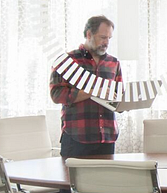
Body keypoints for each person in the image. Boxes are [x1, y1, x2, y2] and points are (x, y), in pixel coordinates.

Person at [50, 15, 123, 158]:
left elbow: (118, 95)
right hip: (77, 137)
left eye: (109, 38)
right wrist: (93, 92)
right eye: (103, 37)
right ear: (89, 34)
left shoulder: (114, 63)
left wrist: (128, 102)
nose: (106, 42)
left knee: (107, 175)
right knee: (71, 174)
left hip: (107, 138)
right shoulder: (66, 61)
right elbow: (56, 95)